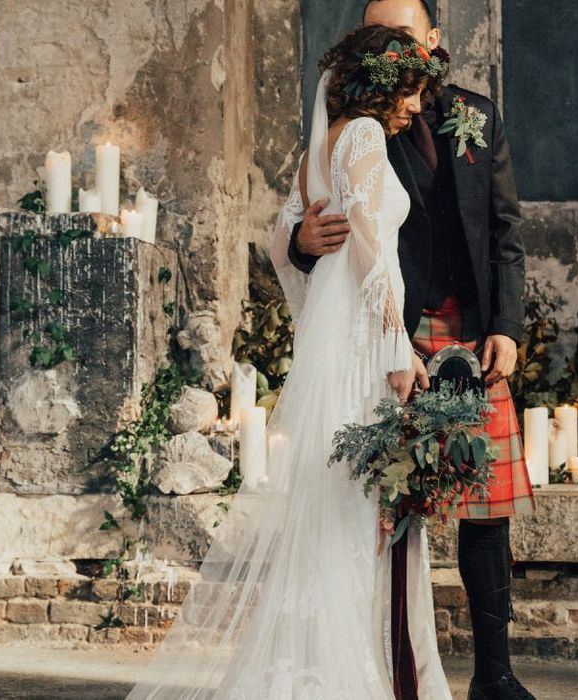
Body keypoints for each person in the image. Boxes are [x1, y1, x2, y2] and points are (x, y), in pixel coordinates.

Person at [126, 24, 453, 699]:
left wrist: (316, 310)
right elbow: (366, 242)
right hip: (363, 342)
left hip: (339, 340)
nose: (416, 107)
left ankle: (317, 664)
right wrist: (396, 345)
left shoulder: (318, 149)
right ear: (381, 83)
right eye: (412, 91)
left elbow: (283, 246)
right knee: (351, 510)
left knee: (334, 504)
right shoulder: (362, 135)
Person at [287, 2, 536, 699]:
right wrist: (300, 243)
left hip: (473, 333)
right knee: (387, 506)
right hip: (396, 332)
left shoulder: (477, 116)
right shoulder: (364, 121)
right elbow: (307, 217)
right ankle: (386, 667)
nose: (400, 48)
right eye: (385, 35)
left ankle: (494, 676)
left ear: (434, 39)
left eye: (409, 34)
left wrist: (508, 328)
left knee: (490, 508)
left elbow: (506, 231)